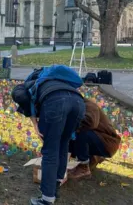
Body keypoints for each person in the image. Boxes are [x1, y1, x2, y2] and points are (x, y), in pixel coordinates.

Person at [12, 68, 85, 205]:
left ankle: (46, 199)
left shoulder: (27, 85)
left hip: (56, 103)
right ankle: (55, 186)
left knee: (50, 150)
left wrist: (34, 123)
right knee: (63, 144)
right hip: (79, 103)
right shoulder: (57, 81)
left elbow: (22, 97)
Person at [68, 98, 121, 179]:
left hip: (107, 142)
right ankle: (93, 159)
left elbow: (89, 122)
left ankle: (84, 168)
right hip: (96, 139)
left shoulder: (89, 105)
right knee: (66, 138)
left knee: (81, 132)